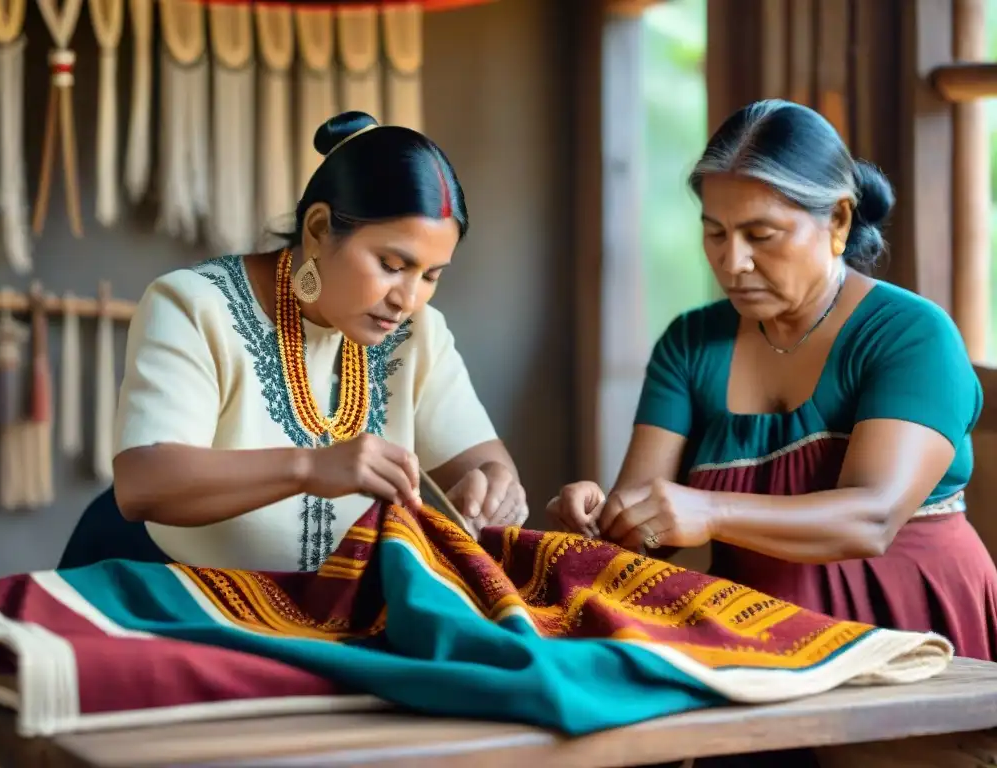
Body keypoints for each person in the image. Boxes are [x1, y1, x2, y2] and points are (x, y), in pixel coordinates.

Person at [548, 99, 997, 662]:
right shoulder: (690, 344)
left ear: (837, 220)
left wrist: (709, 511)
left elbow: (872, 519)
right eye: (715, 233)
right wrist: (606, 518)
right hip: (754, 647)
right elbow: (646, 535)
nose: (732, 262)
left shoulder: (910, 335)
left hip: (912, 634)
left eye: (761, 235)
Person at [70, 111, 527, 573]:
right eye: (391, 264)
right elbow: (142, 483)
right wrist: (309, 468)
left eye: (431, 275)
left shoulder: (418, 332)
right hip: (174, 594)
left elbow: (485, 464)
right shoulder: (193, 305)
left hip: (332, 613)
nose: (407, 299)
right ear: (318, 229)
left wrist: (493, 488)